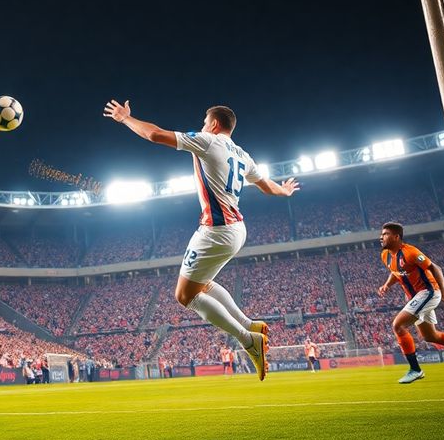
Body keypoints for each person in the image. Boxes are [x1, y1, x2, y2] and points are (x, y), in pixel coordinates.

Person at [103, 101, 300, 381]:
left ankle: (248, 339)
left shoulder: (208, 142)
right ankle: (248, 324)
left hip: (216, 230)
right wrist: (285, 191)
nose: (202, 125)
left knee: (185, 296)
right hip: (237, 229)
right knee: (203, 284)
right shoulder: (243, 155)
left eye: (205, 121)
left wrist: (126, 119)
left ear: (215, 125)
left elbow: (155, 134)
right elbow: (267, 187)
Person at [377, 222, 444, 383]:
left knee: (398, 325)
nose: (381, 237)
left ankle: (415, 369)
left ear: (396, 237)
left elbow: (435, 268)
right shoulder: (385, 255)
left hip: (428, 292)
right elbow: (395, 272)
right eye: (382, 234)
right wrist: (386, 285)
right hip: (415, 297)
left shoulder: (410, 252)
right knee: (430, 336)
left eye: (385, 234)